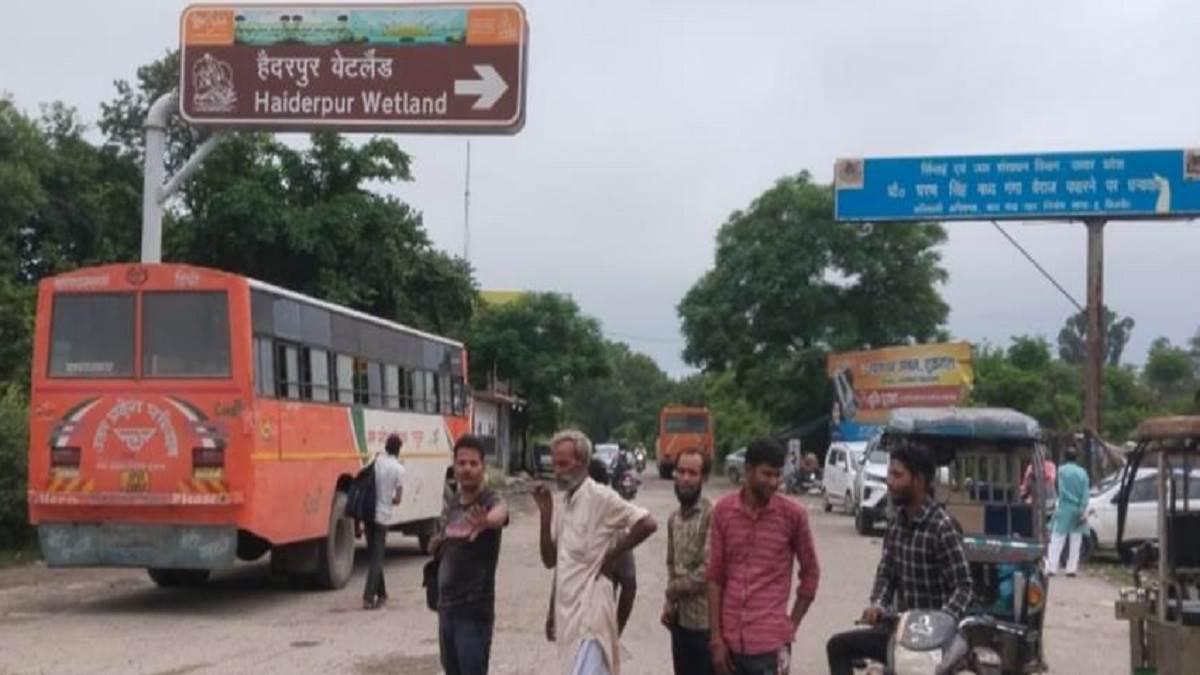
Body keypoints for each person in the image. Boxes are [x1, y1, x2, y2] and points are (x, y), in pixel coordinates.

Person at [825, 443, 975, 675]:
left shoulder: (942, 527)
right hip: (901, 631)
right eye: (889, 474)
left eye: (897, 475)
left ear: (919, 480)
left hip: (938, 641)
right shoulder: (895, 525)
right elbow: (886, 574)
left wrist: (942, 620)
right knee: (838, 646)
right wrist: (878, 604)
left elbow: (963, 586)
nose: (889, 482)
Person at [533, 429, 658, 675]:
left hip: (591, 618)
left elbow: (648, 523)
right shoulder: (565, 502)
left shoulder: (600, 497)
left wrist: (611, 554)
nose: (557, 471)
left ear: (582, 464)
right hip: (568, 617)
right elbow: (550, 561)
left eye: (564, 464)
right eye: (555, 464)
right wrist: (545, 513)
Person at [707, 438, 819, 675]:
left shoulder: (793, 516)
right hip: (729, 643)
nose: (773, 482)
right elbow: (715, 577)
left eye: (777, 475)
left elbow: (811, 573)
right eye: (766, 474)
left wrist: (791, 626)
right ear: (748, 470)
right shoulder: (723, 512)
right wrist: (716, 638)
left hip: (770, 645)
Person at [428, 435, 509, 675]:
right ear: (454, 466)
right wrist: (437, 545)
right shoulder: (453, 503)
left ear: (483, 466)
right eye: (462, 463)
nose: (467, 469)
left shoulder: (489, 501)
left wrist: (486, 521)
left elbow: (501, 514)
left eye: (473, 464)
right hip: (446, 610)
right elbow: (446, 539)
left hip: (474, 614)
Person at [546, 458, 637, 645]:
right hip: (569, 620)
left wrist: (615, 631)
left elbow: (629, 586)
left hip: (596, 626)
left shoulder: (614, 527)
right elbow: (558, 567)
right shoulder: (568, 514)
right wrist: (552, 612)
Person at [662, 447, 714, 675]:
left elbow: (708, 569)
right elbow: (671, 565)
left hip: (705, 625)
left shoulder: (712, 516)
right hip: (679, 623)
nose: (685, 478)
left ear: (703, 478)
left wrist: (673, 590)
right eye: (681, 471)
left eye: (692, 473)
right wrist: (669, 604)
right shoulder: (674, 519)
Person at [363, 433, 405, 610]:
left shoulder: (376, 461)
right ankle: (368, 597)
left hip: (368, 513)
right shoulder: (399, 469)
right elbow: (398, 499)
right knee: (377, 559)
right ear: (399, 449)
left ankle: (382, 593)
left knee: (374, 555)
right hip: (382, 516)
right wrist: (389, 499)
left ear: (386, 447)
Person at [1047, 447, 1091, 577]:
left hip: (1064, 507)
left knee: (1057, 538)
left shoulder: (1061, 471)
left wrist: (1066, 500)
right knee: (1076, 539)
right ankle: (1071, 569)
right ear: (1076, 458)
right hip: (1078, 509)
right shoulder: (1083, 473)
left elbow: (1060, 489)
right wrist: (1082, 507)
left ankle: (1051, 568)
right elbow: (1086, 493)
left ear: (1065, 457)